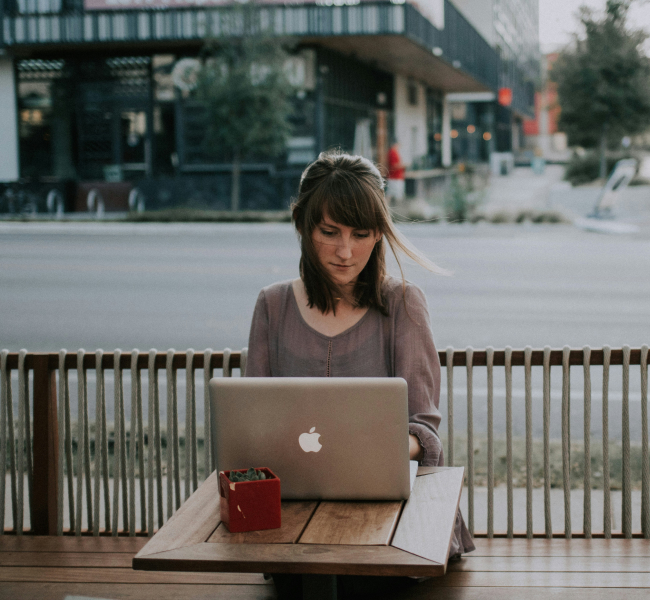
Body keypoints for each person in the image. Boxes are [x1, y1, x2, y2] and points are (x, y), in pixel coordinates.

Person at [245, 151, 474, 598]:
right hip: (294, 517)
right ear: (302, 225)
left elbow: (424, 432)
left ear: (379, 234)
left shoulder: (403, 304)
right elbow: (251, 423)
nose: (345, 252)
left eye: (361, 234)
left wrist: (366, 449)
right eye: (329, 232)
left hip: (391, 520)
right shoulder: (273, 305)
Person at [386, 140, 406, 206]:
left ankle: (388, 207)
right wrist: (403, 165)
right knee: (396, 194)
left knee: (390, 193)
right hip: (395, 177)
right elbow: (394, 166)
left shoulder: (394, 152)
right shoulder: (392, 153)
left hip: (395, 177)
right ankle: (398, 208)